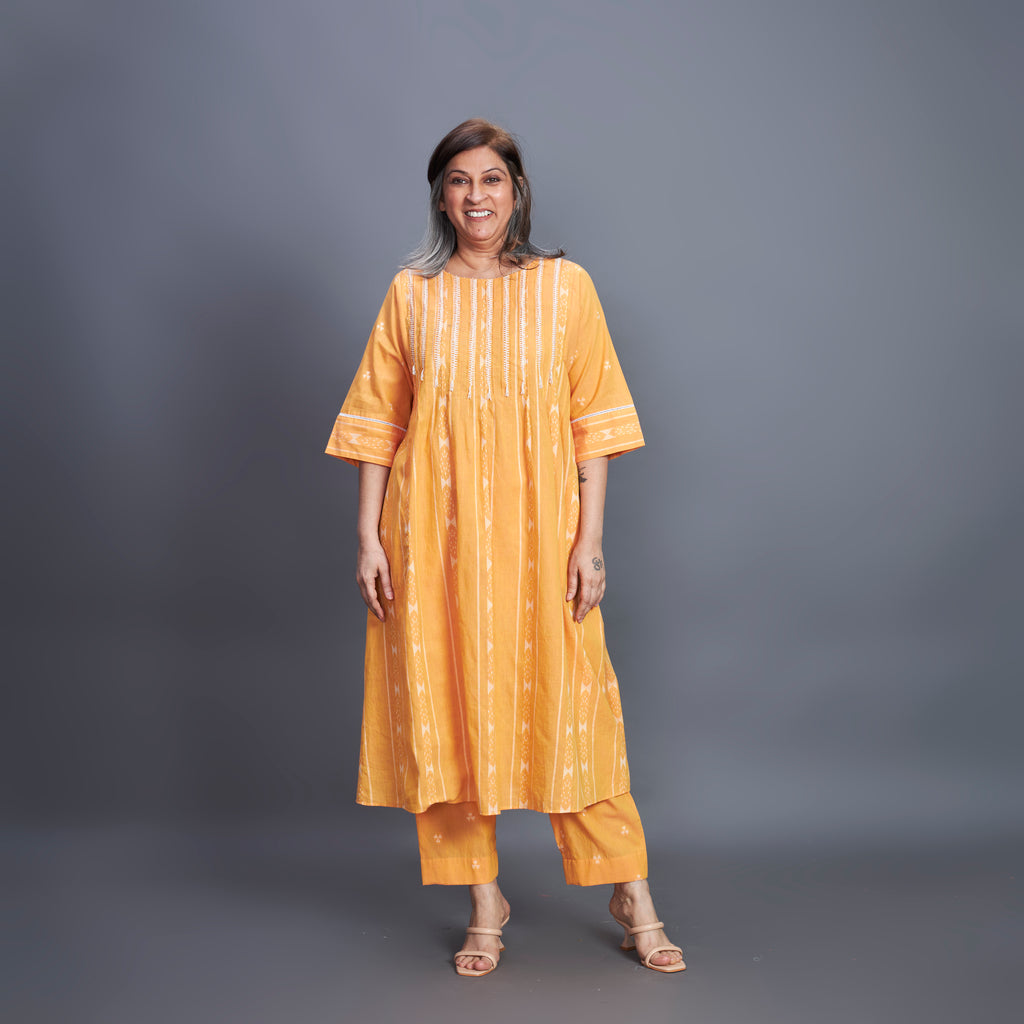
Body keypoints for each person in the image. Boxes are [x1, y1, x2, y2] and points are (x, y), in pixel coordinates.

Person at [325, 119, 684, 976]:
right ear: (441, 197)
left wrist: (590, 542)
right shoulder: (412, 295)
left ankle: (630, 891)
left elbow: (595, 423)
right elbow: (379, 426)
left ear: (515, 191)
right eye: (459, 180)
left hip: (541, 542)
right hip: (432, 543)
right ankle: (483, 899)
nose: (475, 195)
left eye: (491, 179)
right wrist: (369, 538)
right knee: (444, 713)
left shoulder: (565, 288)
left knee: (575, 710)